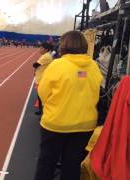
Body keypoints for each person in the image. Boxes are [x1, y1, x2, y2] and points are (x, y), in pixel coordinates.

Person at [34, 30, 103, 180]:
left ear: (63, 45)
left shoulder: (57, 65)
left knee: (47, 162)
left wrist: (55, 107)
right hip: (85, 125)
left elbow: (43, 92)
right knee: (72, 164)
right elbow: (96, 93)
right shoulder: (93, 66)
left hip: (56, 124)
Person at [33, 42, 54, 115]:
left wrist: (35, 65)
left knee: (42, 97)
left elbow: (35, 64)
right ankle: (41, 111)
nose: (39, 49)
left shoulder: (46, 56)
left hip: (42, 79)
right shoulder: (45, 55)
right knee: (40, 96)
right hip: (40, 78)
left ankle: (43, 113)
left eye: (41, 48)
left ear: (46, 49)